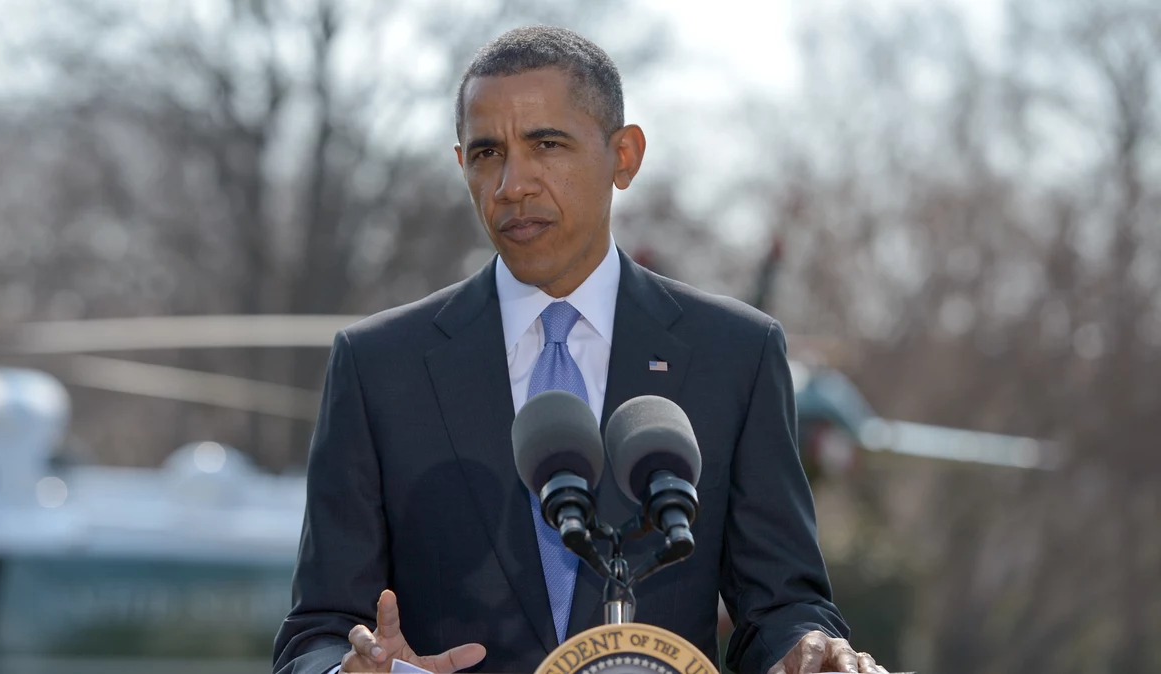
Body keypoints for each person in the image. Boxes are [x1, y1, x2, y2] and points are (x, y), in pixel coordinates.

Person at [273, 26, 888, 674]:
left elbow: (783, 607)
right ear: (462, 166)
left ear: (624, 156)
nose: (512, 183)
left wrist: (808, 652)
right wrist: (348, 669)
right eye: (486, 154)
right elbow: (315, 633)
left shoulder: (736, 355)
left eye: (546, 144)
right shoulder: (378, 369)